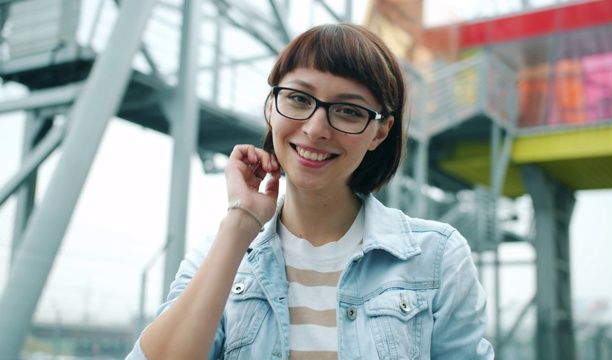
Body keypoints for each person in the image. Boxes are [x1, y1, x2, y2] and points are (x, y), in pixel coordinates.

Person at [127, 23, 494, 360]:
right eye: (299, 99)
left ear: (380, 133)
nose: (316, 129)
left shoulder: (437, 258)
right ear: (272, 106)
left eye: (348, 111)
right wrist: (240, 222)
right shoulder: (220, 258)